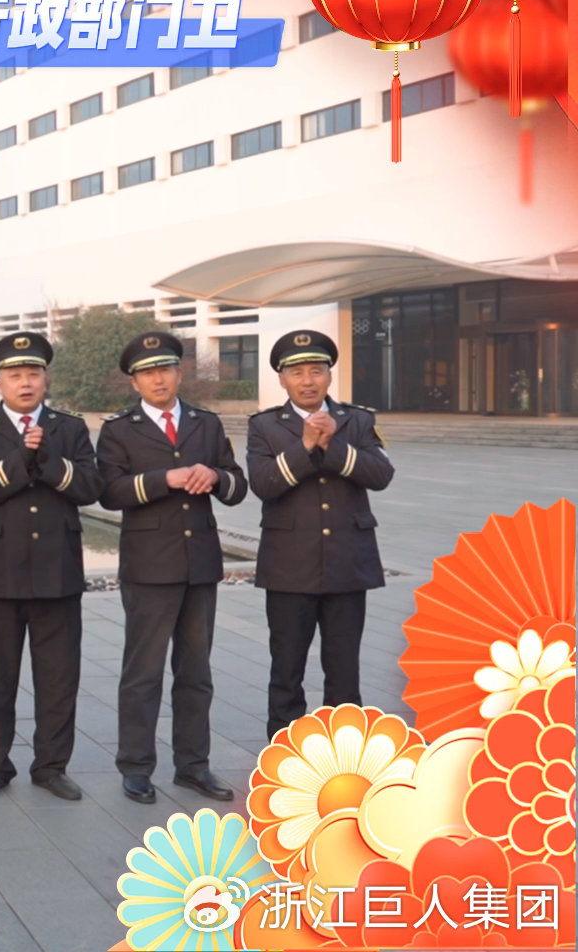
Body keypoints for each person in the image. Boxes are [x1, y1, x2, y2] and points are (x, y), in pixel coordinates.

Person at [96, 332, 247, 806]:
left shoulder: (206, 423)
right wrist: (165, 479)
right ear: (134, 382)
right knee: (143, 673)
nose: (157, 378)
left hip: (199, 562)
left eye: (165, 369)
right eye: (147, 373)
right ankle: (136, 767)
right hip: (148, 566)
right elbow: (109, 492)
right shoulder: (119, 429)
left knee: (196, 673)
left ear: (180, 373)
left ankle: (193, 766)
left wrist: (216, 476)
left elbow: (237, 484)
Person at [0, 332, 102, 802]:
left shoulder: (69, 428)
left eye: (33, 373)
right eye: (15, 375)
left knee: (58, 678)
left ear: (45, 379)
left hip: (58, 570)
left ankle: (51, 767)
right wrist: (22, 459)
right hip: (0, 572)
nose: (25, 382)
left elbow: (90, 488)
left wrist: (49, 459)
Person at [247, 329, 394, 738]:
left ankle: (344, 752)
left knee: (345, 671)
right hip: (288, 566)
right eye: (297, 373)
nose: (308, 381)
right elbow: (263, 484)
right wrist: (306, 446)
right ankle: (283, 752)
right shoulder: (265, 426)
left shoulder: (357, 420)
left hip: (348, 562)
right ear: (282, 380)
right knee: (286, 669)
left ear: (330, 375)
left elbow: (381, 475)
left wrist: (333, 447)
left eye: (316, 371)